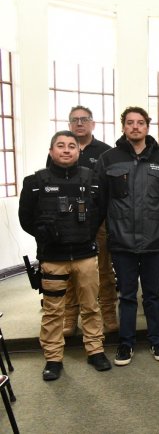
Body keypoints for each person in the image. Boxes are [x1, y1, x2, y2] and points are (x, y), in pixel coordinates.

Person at [19, 130, 111, 381]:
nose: (67, 150)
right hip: (53, 258)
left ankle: (95, 350)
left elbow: (99, 213)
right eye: (60, 145)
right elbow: (26, 219)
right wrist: (45, 233)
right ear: (51, 151)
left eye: (72, 146)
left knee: (91, 306)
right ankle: (53, 358)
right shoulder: (34, 182)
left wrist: (84, 234)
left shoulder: (93, 180)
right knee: (53, 310)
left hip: (85, 255)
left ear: (79, 151)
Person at [96, 106, 159, 366]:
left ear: (147, 126)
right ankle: (126, 343)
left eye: (140, 122)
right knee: (127, 296)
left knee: (152, 295)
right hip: (122, 241)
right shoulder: (109, 159)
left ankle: (157, 340)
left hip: (154, 240)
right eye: (130, 122)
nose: (135, 127)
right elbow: (101, 200)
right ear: (123, 127)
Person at [54, 106, 118, 336]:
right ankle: (70, 317)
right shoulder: (60, 149)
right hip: (67, 222)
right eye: (75, 120)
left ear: (93, 123)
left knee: (103, 269)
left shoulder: (105, 151)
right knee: (70, 269)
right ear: (69, 124)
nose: (79, 123)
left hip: (98, 221)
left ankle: (108, 314)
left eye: (84, 119)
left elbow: (111, 189)